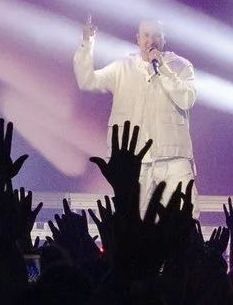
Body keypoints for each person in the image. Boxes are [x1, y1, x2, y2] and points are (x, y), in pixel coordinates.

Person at [73, 18, 198, 194]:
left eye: (156, 35)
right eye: (146, 35)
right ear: (138, 39)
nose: (151, 40)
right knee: (133, 210)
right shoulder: (122, 67)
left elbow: (187, 99)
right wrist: (86, 44)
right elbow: (87, 81)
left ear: (164, 39)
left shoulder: (181, 66)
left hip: (173, 160)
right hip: (133, 160)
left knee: (182, 209)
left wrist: (163, 69)